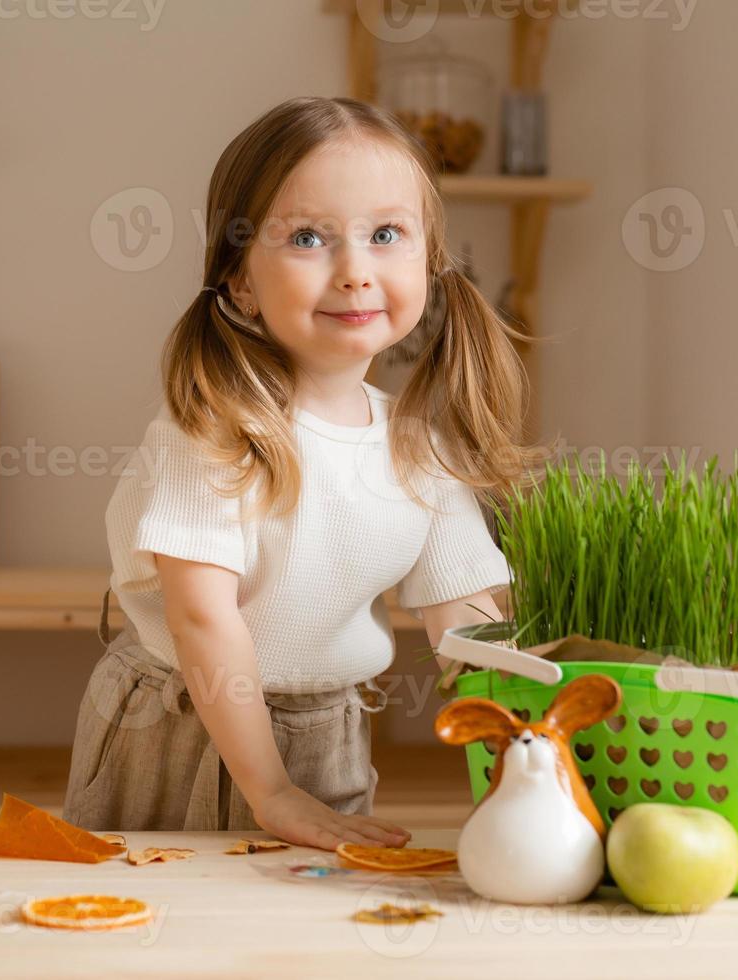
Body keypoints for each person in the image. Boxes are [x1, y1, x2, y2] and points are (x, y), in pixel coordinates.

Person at [62, 96, 546, 850]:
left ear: (430, 259)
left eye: (386, 234)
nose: (356, 273)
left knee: (315, 921)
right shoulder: (214, 433)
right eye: (310, 237)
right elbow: (201, 619)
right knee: (155, 915)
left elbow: (466, 624)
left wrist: (533, 753)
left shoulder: (420, 449)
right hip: (180, 720)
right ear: (242, 281)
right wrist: (272, 791)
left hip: (327, 726)